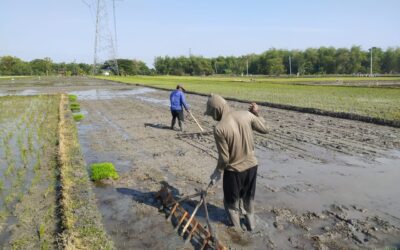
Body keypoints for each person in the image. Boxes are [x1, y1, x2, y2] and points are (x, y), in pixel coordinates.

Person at [204, 94, 268, 231]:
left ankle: (238, 234)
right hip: (252, 167)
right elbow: (265, 129)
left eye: (211, 114)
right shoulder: (247, 114)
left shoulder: (219, 128)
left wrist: (217, 172)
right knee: (248, 198)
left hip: (234, 172)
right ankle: (251, 226)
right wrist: (256, 113)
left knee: (231, 204)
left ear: (216, 110)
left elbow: (225, 159)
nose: (211, 117)